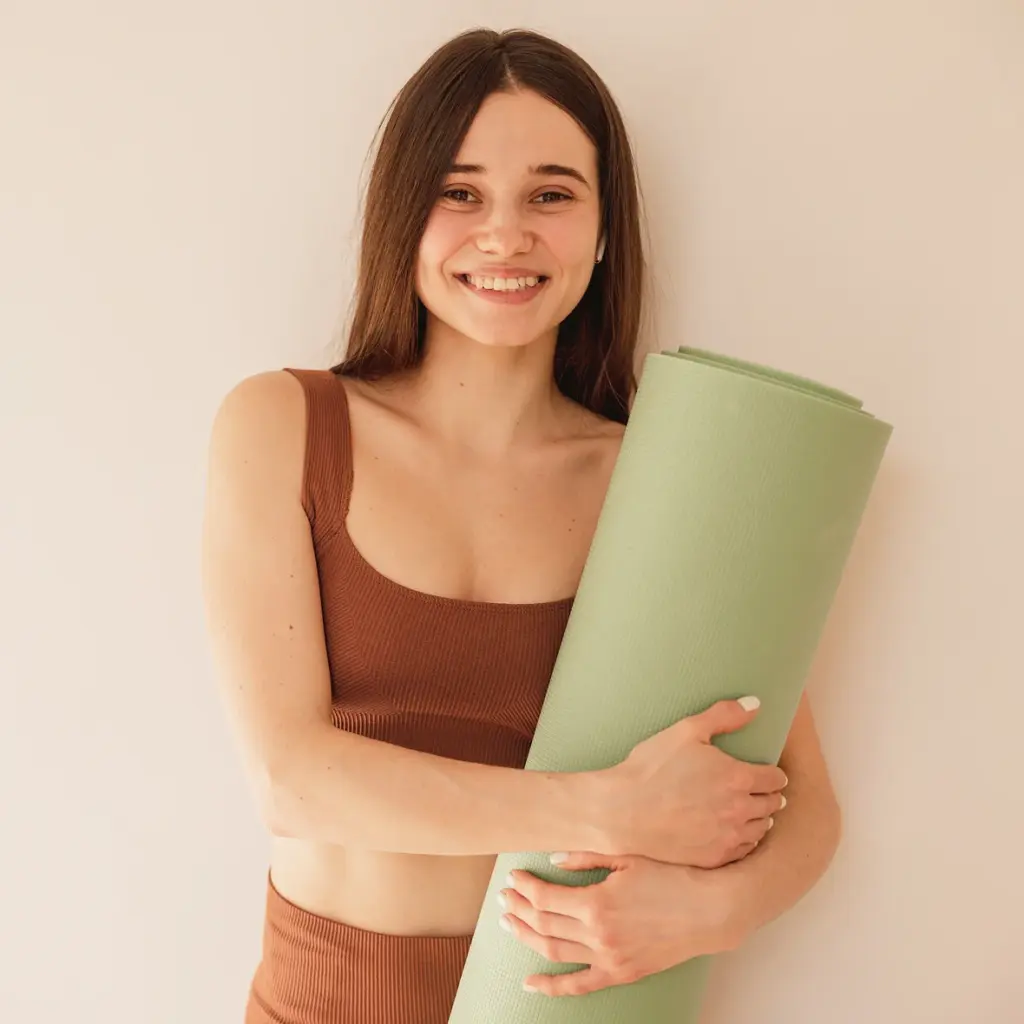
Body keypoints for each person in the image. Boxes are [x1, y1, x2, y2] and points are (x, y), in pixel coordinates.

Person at [201, 27, 795, 1024]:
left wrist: (712, 913)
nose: (506, 236)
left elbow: (802, 802)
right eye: (460, 192)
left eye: (551, 195)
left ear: (603, 231)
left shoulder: (660, 480)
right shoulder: (283, 425)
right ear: (402, 214)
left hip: (572, 1006)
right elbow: (291, 781)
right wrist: (610, 807)